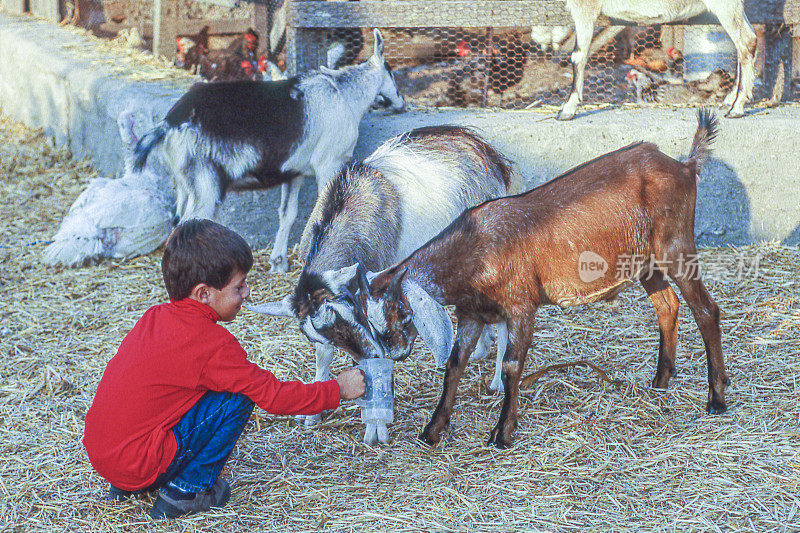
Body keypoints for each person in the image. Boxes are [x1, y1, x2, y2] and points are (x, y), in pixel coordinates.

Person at [83, 219, 365, 519]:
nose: (245, 293)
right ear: (204, 294)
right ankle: (185, 491)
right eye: (238, 286)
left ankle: (128, 486)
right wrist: (338, 390)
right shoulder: (213, 345)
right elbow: (273, 397)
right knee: (238, 396)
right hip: (140, 462)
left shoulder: (153, 317)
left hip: (104, 457)